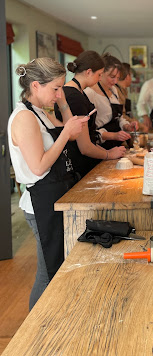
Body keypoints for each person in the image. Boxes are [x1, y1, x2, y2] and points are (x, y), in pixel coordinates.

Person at [8, 58, 88, 309]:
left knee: (58, 266)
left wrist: (63, 104)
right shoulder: (24, 118)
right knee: (48, 272)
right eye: (55, 88)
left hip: (55, 197)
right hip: (40, 203)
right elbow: (39, 166)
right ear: (35, 86)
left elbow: (70, 134)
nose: (58, 93)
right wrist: (66, 133)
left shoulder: (40, 112)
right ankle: (35, 336)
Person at [54, 51, 127, 178]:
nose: (100, 79)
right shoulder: (74, 97)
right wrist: (109, 154)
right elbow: (85, 147)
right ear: (88, 72)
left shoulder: (77, 93)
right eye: (99, 74)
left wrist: (107, 151)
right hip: (79, 166)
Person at [84, 54, 133, 149]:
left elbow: (119, 118)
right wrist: (114, 135)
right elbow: (90, 131)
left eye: (118, 78)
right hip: (101, 148)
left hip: (116, 146)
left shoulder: (114, 90)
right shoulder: (90, 93)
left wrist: (126, 125)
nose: (115, 81)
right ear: (101, 73)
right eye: (112, 77)